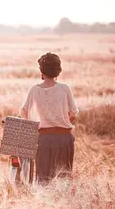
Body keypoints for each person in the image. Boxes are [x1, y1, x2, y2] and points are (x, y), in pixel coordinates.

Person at [19, 52, 79, 184]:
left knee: (43, 181)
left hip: (44, 139)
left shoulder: (34, 90)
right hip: (64, 139)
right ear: (58, 71)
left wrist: (34, 124)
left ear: (41, 70)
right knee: (63, 181)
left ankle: (45, 205)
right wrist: (63, 120)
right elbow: (73, 114)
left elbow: (23, 111)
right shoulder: (65, 89)